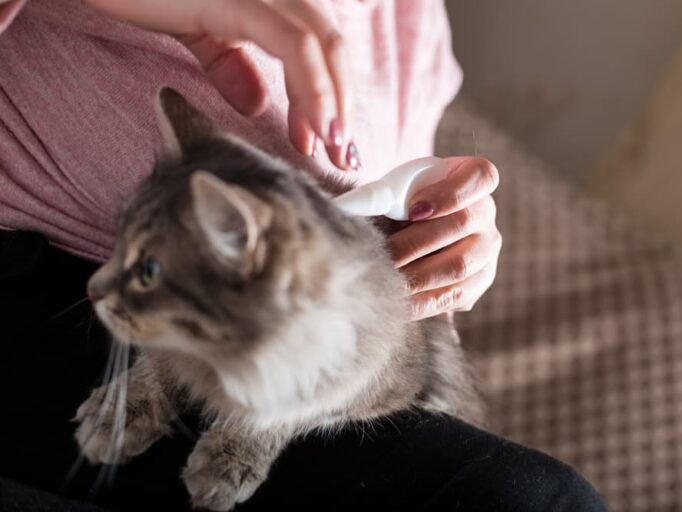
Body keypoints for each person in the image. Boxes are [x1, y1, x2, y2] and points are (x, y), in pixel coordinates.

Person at [0, 1, 607, 510]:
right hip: (52, 278)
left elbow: (396, 213)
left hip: (300, 350)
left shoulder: (412, 19)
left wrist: (447, 237)